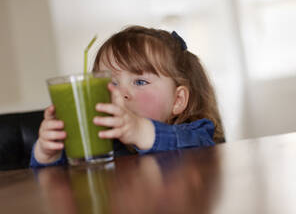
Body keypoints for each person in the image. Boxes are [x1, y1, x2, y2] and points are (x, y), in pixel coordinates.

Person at [30, 25, 225, 167]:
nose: (120, 94)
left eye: (140, 82)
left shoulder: (195, 133)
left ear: (178, 100)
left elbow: (203, 151)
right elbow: (57, 183)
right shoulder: (100, 141)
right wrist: (48, 154)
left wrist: (141, 130)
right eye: (111, 83)